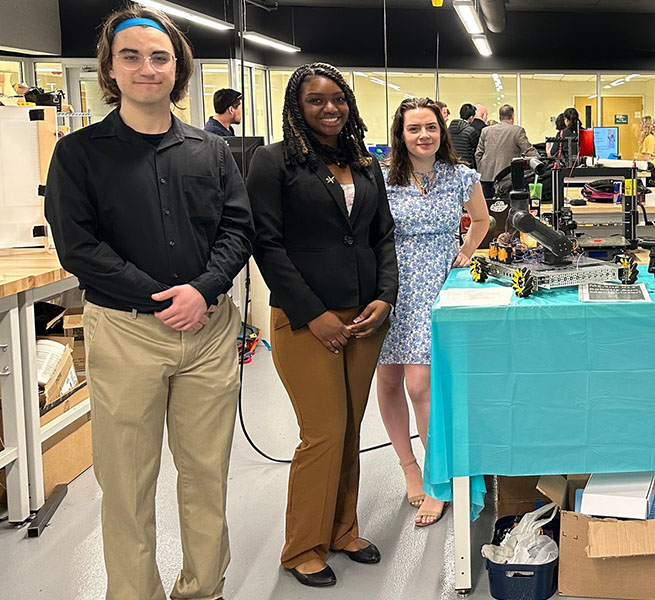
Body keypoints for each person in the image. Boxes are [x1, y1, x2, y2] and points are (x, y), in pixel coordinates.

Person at [43, 7, 253, 599]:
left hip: (209, 333)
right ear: (110, 68)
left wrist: (204, 289)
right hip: (126, 332)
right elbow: (78, 246)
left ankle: (202, 589)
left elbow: (239, 228)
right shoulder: (79, 154)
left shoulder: (209, 152)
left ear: (177, 68)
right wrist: (162, 297)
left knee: (206, 476)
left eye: (159, 57)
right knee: (127, 482)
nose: (146, 68)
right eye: (130, 56)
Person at [245, 62, 398, 588]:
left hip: (364, 316)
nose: (330, 108)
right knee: (324, 431)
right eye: (316, 100)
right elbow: (266, 244)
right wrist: (313, 314)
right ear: (296, 107)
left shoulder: (365, 162)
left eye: (338, 98)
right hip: (305, 318)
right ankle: (302, 546)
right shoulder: (274, 163)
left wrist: (384, 296)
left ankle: (342, 528)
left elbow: (382, 237)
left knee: (350, 427)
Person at [376, 97, 489, 527]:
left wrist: (463, 254)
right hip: (391, 283)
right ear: (400, 135)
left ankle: (437, 479)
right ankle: (409, 468)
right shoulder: (383, 178)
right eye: (413, 128)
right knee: (388, 379)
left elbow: (481, 221)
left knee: (420, 383)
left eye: (431, 127)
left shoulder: (460, 176)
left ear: (442, 132)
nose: (424, 135)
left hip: (438, 284)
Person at [474, 103, 536, 199]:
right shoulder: (517, 131)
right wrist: (539, 162)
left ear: (500, 117)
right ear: (512, 116)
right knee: (506, 208)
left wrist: (482, 169)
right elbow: (528, 151)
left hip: (486, 177)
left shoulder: (485, 131)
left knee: (487, 207)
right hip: (507, 178)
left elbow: (478, 154)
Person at [449, 102, 480, 168]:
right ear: (471, 117)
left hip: (451, 162)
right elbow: (476, 148)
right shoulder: (471, 131)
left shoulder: (449, 128)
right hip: (466, 163)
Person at [637, 115, 655, 185]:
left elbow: (647, 157)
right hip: (647, 168)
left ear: (646, 125)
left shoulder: (649, 139)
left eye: (641, 123)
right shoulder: (648, 138)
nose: (639, 125)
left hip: (648, 169)